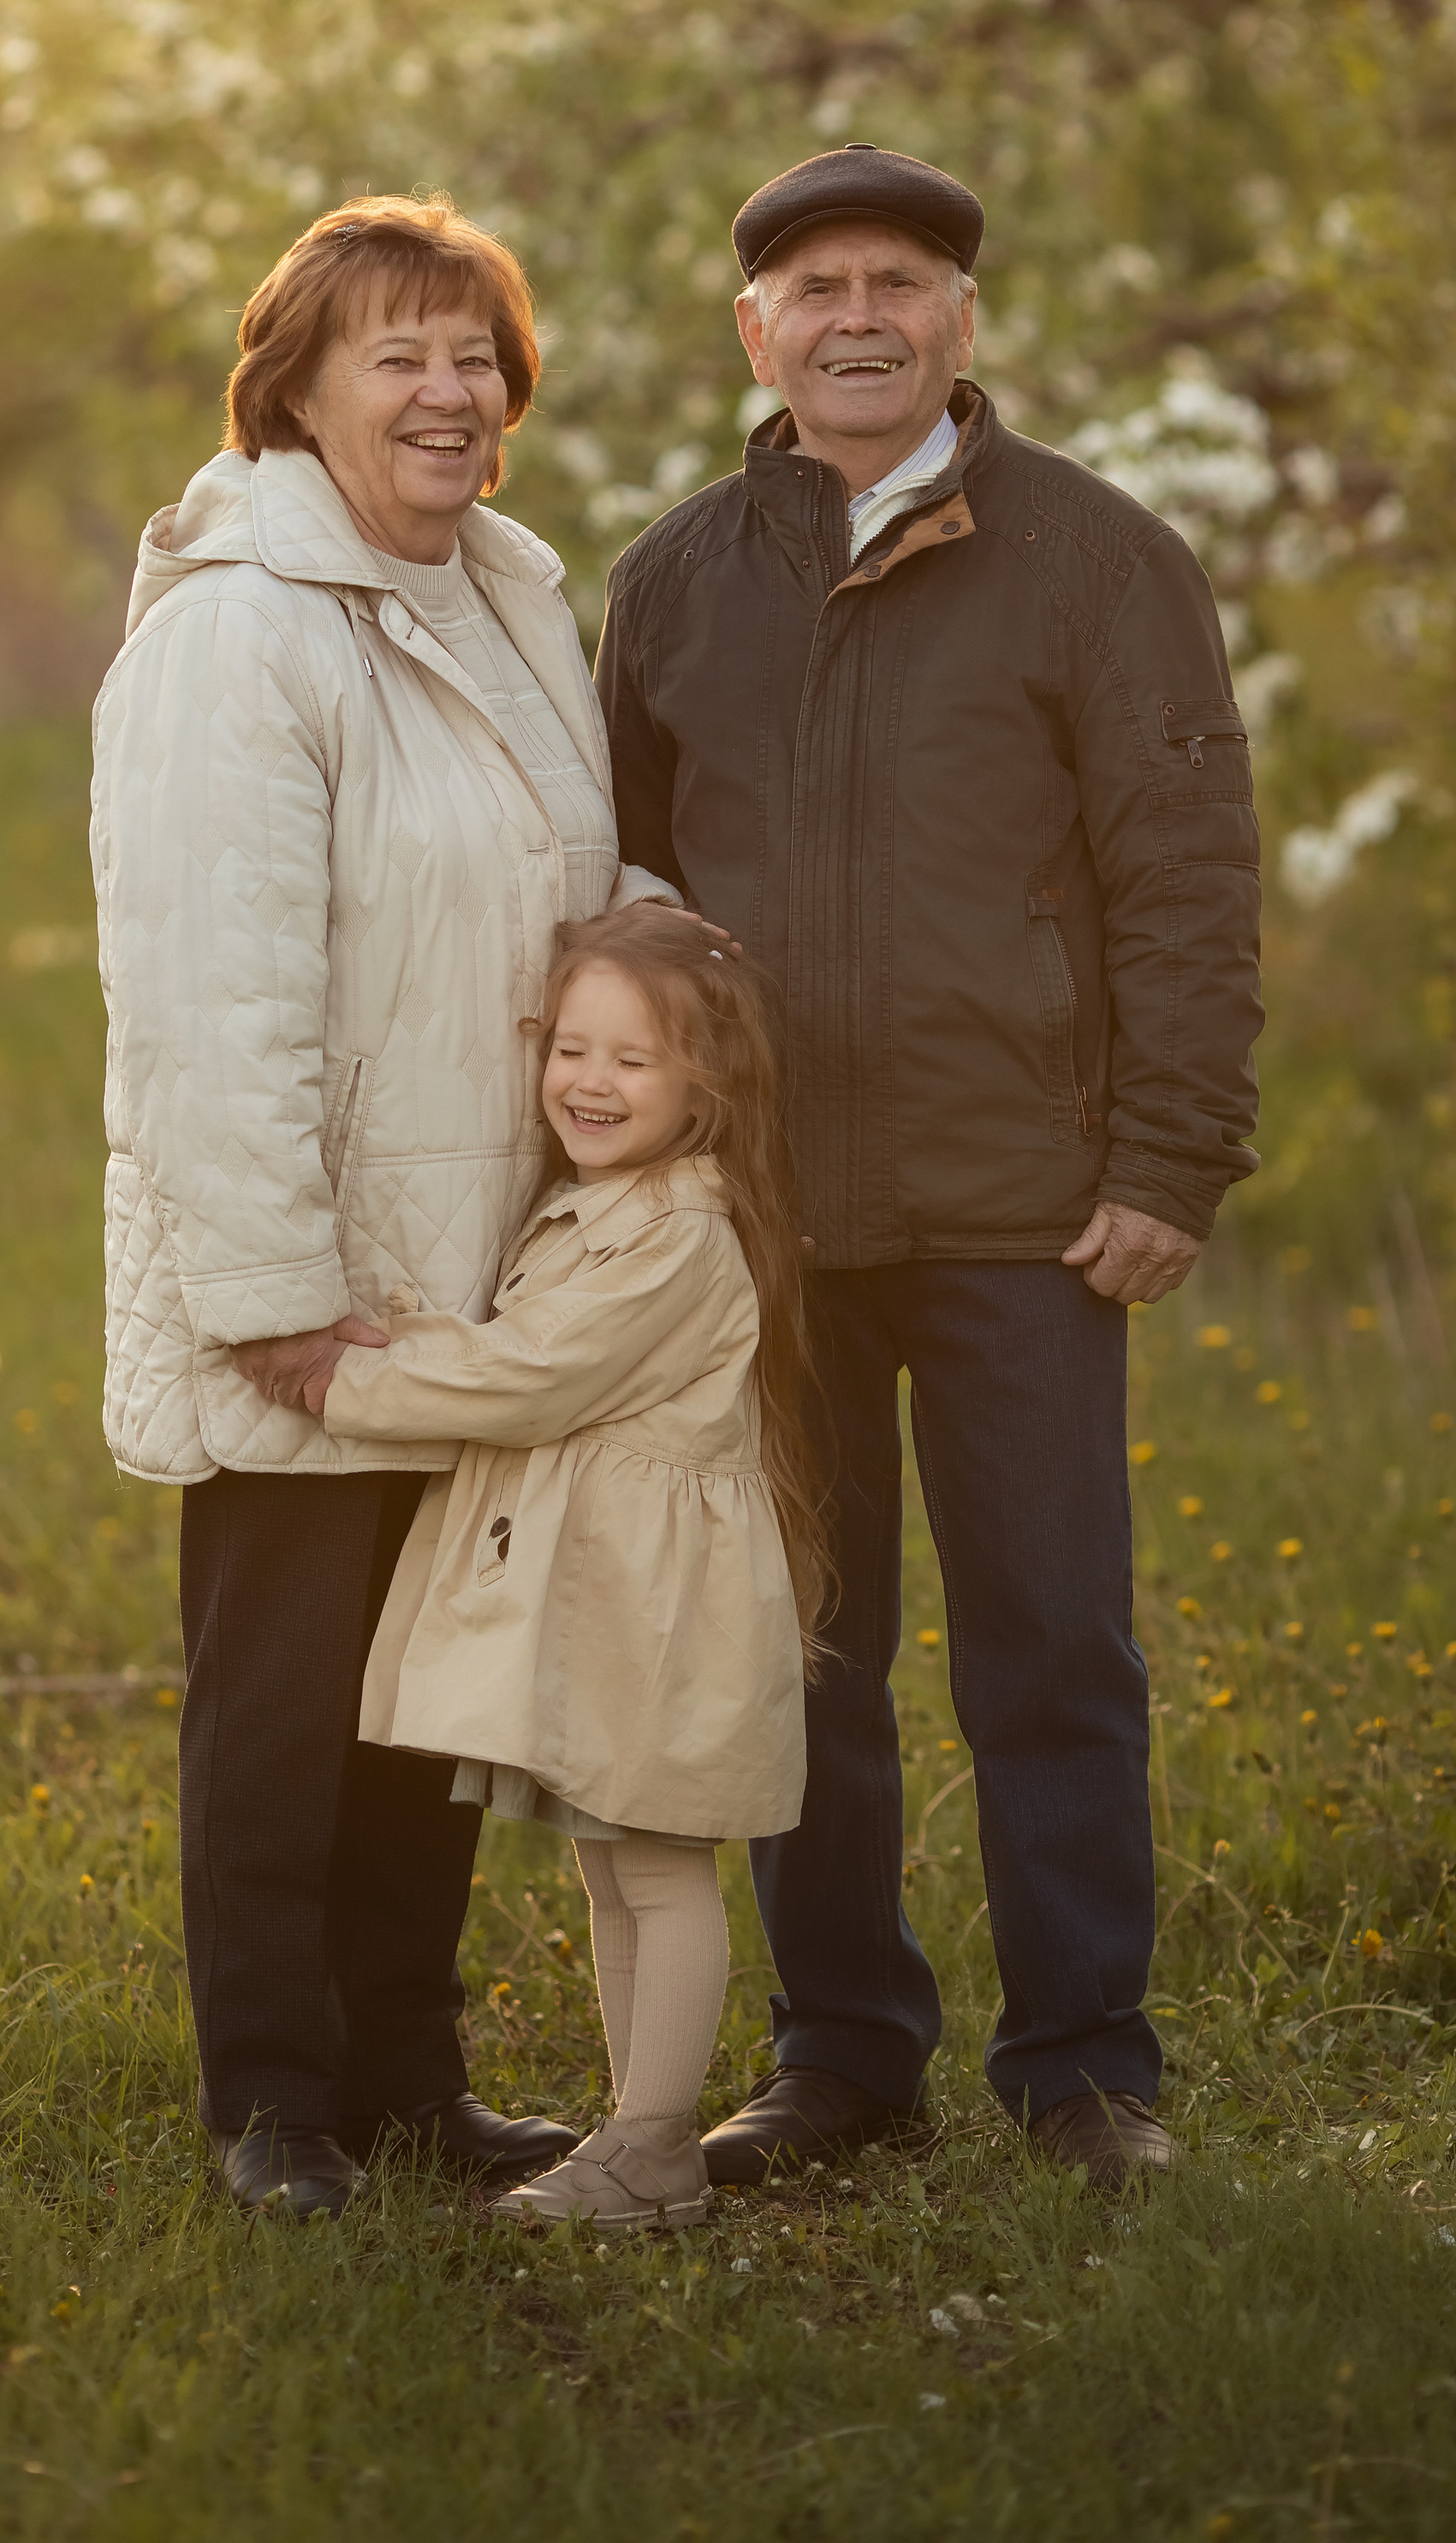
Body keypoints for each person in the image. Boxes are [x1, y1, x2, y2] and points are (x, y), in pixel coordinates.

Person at [595, 143, 1264, 2189]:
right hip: (766, 1227)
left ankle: (1083, 2071)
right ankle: (842, 2052)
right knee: (798, 1653)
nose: (857, 316)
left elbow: (1182, 876)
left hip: (1021, 1213)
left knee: (1049, 1647)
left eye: (898, 281)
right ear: (755, 333)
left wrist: (1166, 1156)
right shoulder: (677, 578)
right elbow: (620, 896)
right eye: (815, 288)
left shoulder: (1093, 559)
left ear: (960, 321)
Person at [90, 195, 675, 2220]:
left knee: (432, 1696)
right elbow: (204, 987)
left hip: (476, 1273)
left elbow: (545, 894)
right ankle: (274, 2101)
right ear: (295, 385)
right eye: (396, 354)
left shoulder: (501, 590)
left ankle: (410, 2082)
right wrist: (272, 1295)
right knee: (281, 1701)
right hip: (313, 1277)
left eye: (473, 354)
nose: (445, 391)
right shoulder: (241, 626)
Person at [296, 908, 826, 2231]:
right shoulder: (610, 1206)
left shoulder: (677, 1236)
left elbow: (530, 1376)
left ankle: (654, 2148)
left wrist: (336, 1375)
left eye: (632, 1061)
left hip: (657, 1603)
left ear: (710, 1082)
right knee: (614, 1862)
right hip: (615, 1587)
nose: (589, 1082)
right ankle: (634, 2127)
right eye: (572, 1049)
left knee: (656, 1862)